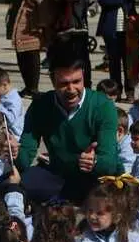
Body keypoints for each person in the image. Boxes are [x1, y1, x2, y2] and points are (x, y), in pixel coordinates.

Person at [16, 56, 121, 203]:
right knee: (10, 185)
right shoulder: (40, 105)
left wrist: (94, 162)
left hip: (95, 179)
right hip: (59, 176)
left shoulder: (103, 106)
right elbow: (24, 159)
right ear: (53, 81)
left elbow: (110, 163)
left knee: (107, 197)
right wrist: (14, 152)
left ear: (84, 77)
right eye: (64, 84)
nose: (71, 90)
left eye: (76, 82)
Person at [98, 0, 139, 101]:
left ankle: (130, 92)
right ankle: (116, 91)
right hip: (112, 27)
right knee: (114, 62)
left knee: (130, 61)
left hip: (128, 27)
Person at [47, 0, 92, 90]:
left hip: (77, 22)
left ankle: (86, 86)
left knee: (81, 58)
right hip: (60, 24)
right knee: (61, 57)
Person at [5, 0, 47, 97]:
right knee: (21, 53)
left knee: (32, 53)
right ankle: (28, 86)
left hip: (32, 16)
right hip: (16, 16)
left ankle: (34, 86)